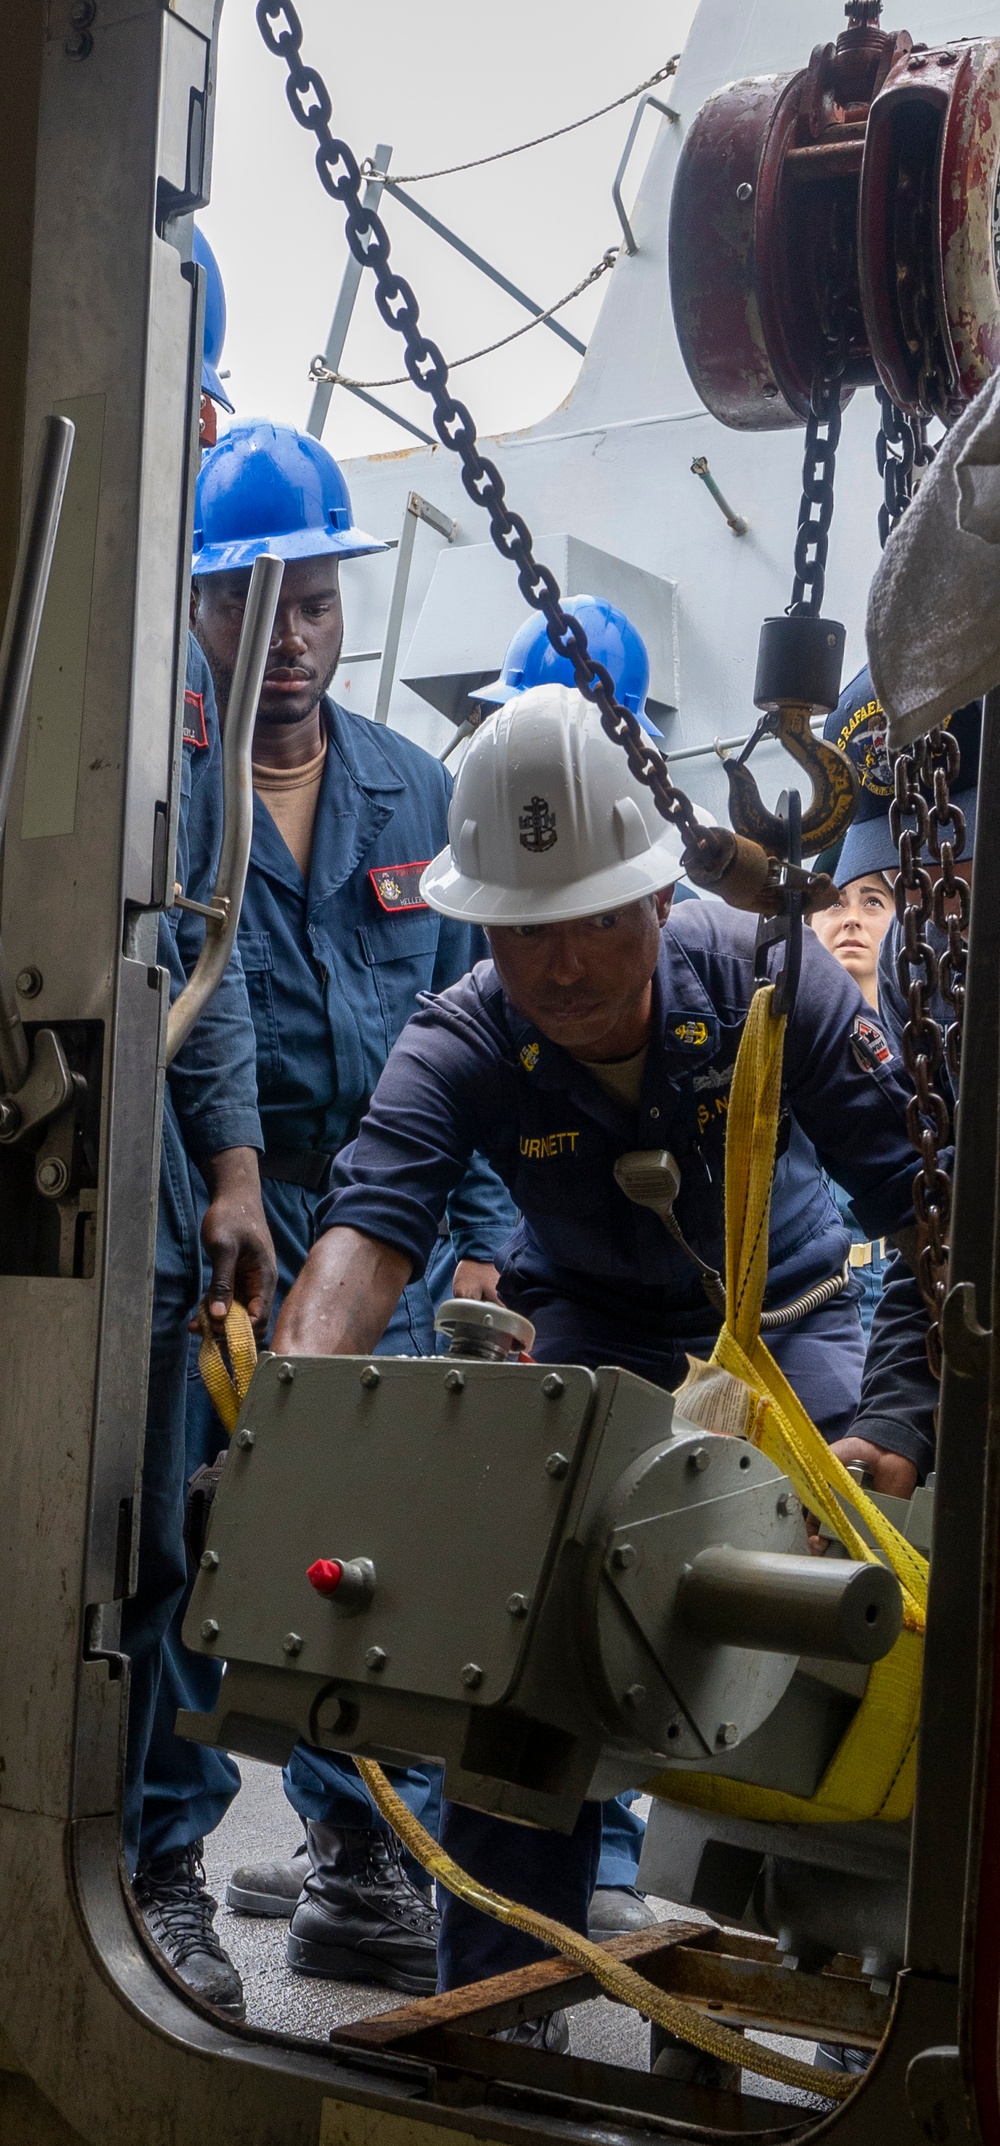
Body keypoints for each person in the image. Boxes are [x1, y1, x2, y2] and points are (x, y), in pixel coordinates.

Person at [267, 683, 927, 2003]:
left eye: (590, 923)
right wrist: (290, 1442)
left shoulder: (767, 974)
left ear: (658, 899)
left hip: (787, 1340)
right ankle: (507, 1998)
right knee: (520, 1647)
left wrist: (891, 1431)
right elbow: (370, 1226)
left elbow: (930, 1214)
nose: (559, 969)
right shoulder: (464, 1032)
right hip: (594, 1346)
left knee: (843, 1605)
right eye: (521, 934)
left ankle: (861, 1940)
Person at [186, 420, 516, 1995]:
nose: (291, 638)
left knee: (384, 1546)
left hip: (387, 1210)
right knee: (191, 1527)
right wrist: (228, 1189)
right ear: (196, 606)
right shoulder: (169, 795)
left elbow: (482, 1032)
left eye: (314, 600)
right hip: (216, 1217)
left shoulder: (415, 790)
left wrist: (484, 1238)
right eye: (253, 603)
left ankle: (363, 1842)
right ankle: (159, 1847)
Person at [125, 232, 276, 2022]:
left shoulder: (176, 663)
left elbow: (206, 926)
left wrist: (233, 1166)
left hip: (133, 1186)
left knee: (151, 1545)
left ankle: (155, 1859)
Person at [808, 669, 900, 1335]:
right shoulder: (794, 1056)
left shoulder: (924, 1046)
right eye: (835, 901)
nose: (851, 920)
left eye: (874, 901)